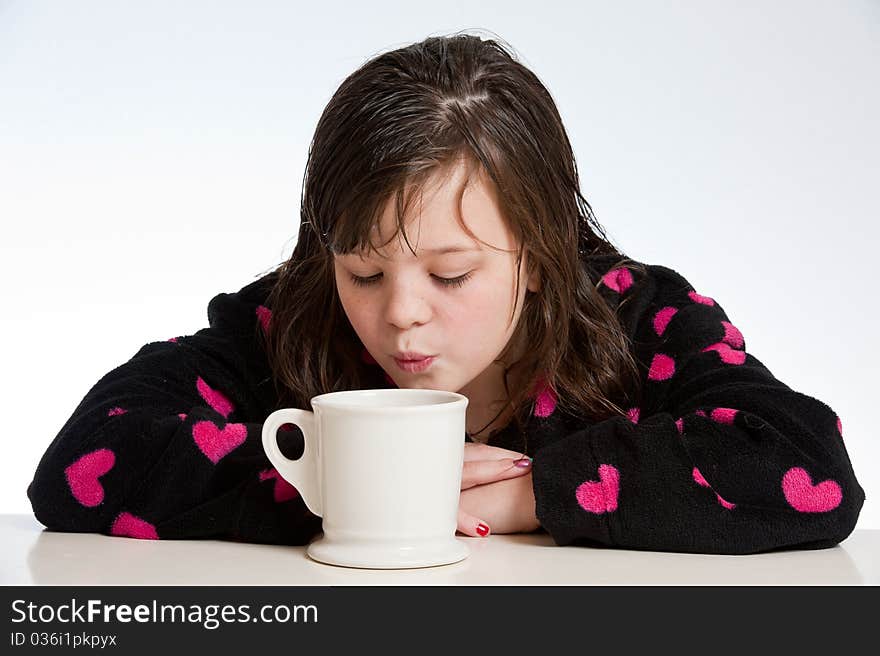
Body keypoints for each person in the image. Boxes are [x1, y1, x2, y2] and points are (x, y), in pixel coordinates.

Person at [28, 33, 864, 554]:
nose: (399, 313)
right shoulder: (298, 321)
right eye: (364, 271)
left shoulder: (635, 321)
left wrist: (537, 493)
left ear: (538, 256)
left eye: (451, 273)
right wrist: (350, 480)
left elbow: (805, 463)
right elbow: (84, 459)